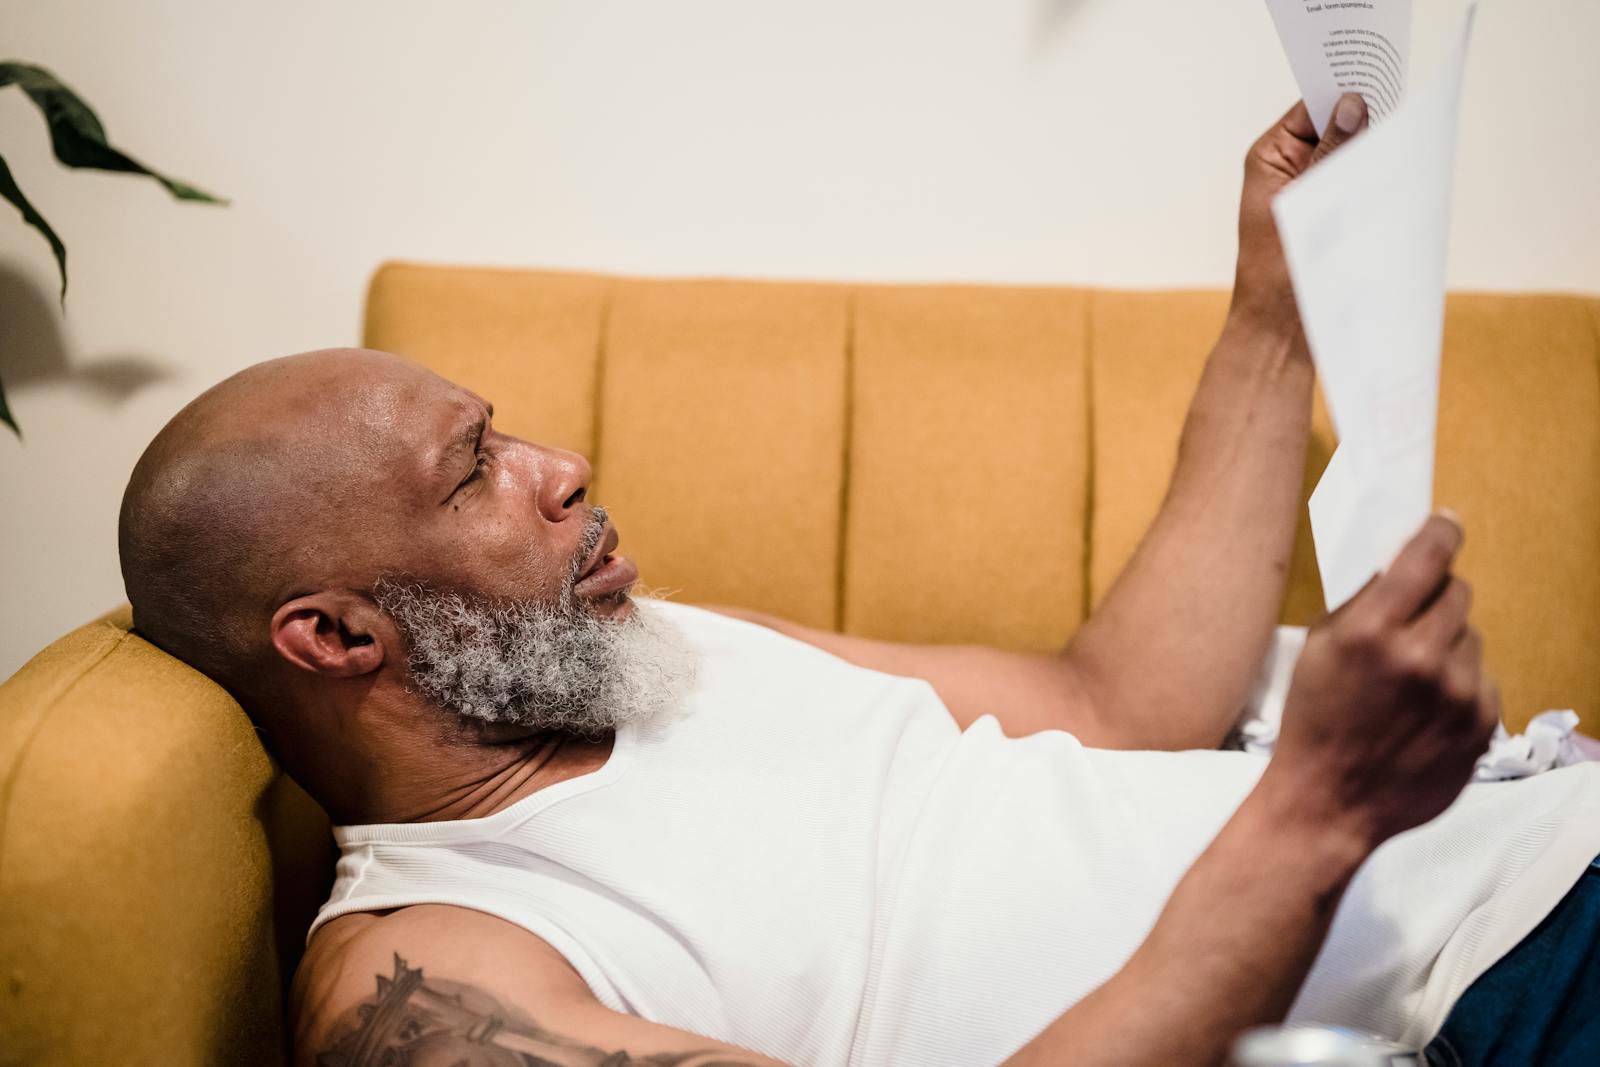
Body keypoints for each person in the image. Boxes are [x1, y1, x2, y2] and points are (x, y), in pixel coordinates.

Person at [116, 93, 1600, 1067]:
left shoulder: (647, 648)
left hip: (1545, 844)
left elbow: (1116, 702)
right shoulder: (432, 980)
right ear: (332, 634)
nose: (560, 465)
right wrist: (1318, 809)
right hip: (1505, 975)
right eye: (474, 469)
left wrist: (1273, 309)